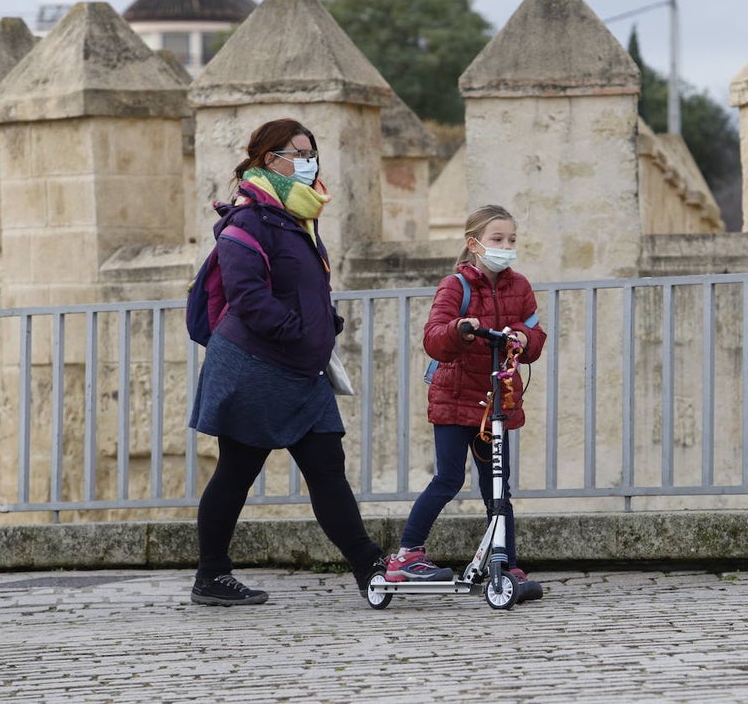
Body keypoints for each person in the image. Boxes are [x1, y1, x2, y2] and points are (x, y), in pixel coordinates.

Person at [189, 118, 385, 606]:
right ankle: (211, 576)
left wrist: (324, 323)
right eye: (298, 153)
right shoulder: (248, 221)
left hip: (299, 367)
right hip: (254, 366)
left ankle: (370, 567)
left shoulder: (296, 218)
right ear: (268, 159)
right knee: (237, 470)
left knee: (326, 466)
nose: (309, 162)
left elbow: (299, 287)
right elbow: (248, 297)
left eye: (312, 152)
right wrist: (298, 331)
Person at [387, 204, 547, 600]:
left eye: (511, 240)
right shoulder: (455, 285)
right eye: (497, 239)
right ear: (474, 244)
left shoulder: (520, 287)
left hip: (496, 401)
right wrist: (461, 330)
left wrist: (527, 341)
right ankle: (407, 554)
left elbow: (534, 334)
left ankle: (504, 562)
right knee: (448, 478)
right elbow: (434, 337)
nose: (505, 246)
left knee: (498, 487)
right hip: (456, 399)